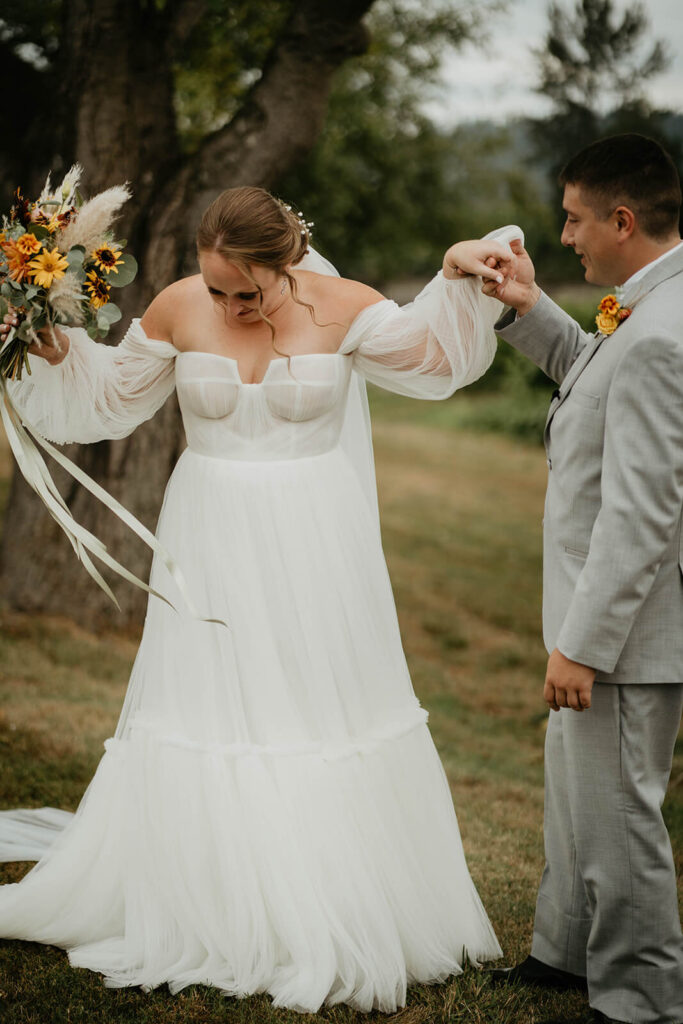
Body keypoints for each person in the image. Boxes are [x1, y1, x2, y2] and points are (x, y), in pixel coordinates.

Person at [0, 186, 518, 1013]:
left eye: (252, 291)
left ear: (289, 261)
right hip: (209, 531)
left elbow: (432, 357)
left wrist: (455, 277)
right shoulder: (176, 306)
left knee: (311, 707)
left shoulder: (346, 306)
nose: (233, 305)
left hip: (316, 535)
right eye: (218, 290)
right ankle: (204, 896)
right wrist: (43, 337)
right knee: (211, 704)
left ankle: (322, 895)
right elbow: (110, 397)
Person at [482, 135, 683, 1024]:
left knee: (619, 822)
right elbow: (588, 382)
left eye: (571, 217)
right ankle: (563, 955)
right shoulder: (643, 310)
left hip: (623, 634)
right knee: (576, 802)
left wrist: (584, 647)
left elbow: (642, 516)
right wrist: (529, 310)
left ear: (622, 220)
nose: (563, 235)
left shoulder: (661, 335)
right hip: (587, 615)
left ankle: (640, 1001)